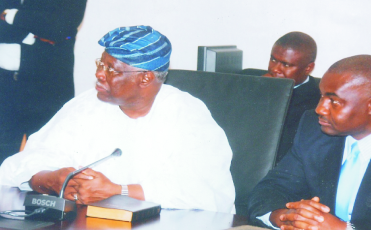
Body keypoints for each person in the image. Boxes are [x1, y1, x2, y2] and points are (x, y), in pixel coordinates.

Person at [0, 25, 235, 214]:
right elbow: (23, 163)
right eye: (100, 64)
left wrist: (117, 191)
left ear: (145, 79)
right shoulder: (88, 105)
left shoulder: (187, 115)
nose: (98, 74)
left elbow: (207, 193)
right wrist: (48, 180)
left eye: (111, 69)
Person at [248, 55, 371, 230]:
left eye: (334, 101)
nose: (320, 108)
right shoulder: (314, 128)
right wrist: (284, 216)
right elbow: (272, 188)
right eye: (321, 96)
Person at [0, 0, 87, 164]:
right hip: (4, 85)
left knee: (47, 161)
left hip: (48, 85)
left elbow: (59, 27)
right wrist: (33, 34)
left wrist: (10, 15)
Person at [263, 32, 320, 163]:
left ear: (308, 68)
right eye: (273, 60)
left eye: (286, 65)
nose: (275, 69)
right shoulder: (257, 83)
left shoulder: (316, 101)